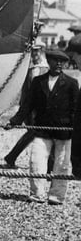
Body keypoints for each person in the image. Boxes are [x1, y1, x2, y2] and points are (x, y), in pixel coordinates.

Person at [5, 48, 78, 204]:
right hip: (42, 130)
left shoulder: (72, 84)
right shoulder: (38, 82)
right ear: (48, 61)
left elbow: (76, 109)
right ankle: (37, 194)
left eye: (62, 61)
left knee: (62, 164)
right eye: (55, 60)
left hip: (64, 131)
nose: (59, 64)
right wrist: (13, 121)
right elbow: (27, 106)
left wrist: (74, 128)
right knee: (36, 162)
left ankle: (56, 196)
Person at [3, 45, 49, 167]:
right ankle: (12, 157)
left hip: (41, 108)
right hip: (31, 107)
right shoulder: (29, 69)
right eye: (33, 51)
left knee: (35, 133)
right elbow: (25, 91)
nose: (34, 54)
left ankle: (11, 157)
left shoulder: (45, 69)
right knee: (35, 132)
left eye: (37, 51)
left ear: (41, 52)